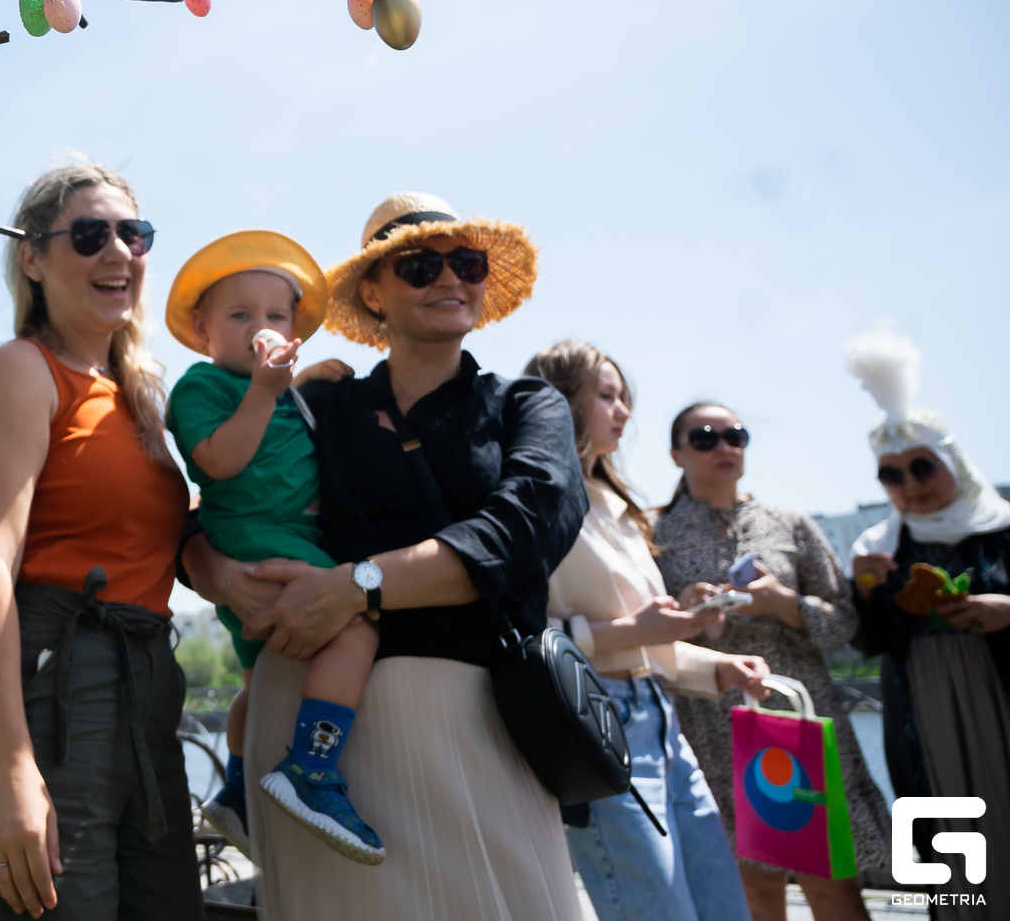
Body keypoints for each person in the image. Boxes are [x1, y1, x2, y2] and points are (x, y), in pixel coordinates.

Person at [181, 191, 590, 920]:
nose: (449, 278)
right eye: (420, 265)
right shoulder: (315, 405)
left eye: (467, 263)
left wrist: (356, 586)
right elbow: (202, 512)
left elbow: (521, 532)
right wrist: (223, 577)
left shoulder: (528, 406)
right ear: (373, 292)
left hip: (482, 719)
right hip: (305, 712)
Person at [0, 163, 198, 921]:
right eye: (88, 234)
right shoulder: (21, 371)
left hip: (142, 689)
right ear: (33, 258)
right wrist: (10, 767)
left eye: (132, 234)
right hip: (50, 687)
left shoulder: (139, 399)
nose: (117, 252)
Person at [528, 340, 766, 921]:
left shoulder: (617, 503)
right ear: (563, 401)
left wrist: (716, 664)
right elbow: (522, 636)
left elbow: (640, 640)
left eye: (624, 397)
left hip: (660, 719)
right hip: (595, 724)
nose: (624, 411)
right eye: (607, 396)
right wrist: (639, 627)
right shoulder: (533, 497)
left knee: (724, 909)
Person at [163, 229, 381, 864]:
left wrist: (294, 384)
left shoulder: (281, 392)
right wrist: (264, 388)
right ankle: (312, 768)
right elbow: (219, 461)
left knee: (259, 683)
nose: (260, 327)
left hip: (290, 538)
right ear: (202, 329)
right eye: (240, 315)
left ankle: (235, 788)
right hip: (258, 540)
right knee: (358, 626)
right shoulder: (201, 387)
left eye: (276, 317)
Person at [652, 402, 889, 921]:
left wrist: (785, 603)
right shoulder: (653, 535)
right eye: (705, 437)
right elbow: (646, 635)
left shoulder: (790, 523)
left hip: (797, 714)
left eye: (735, 435)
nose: (724, 446)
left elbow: (843, 624)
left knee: (832, 883)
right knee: (753, 893)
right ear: (676, 454)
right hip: (711, 726)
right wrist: (687, 611)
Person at [844, 326, 1010, 921]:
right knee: (949, 835)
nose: (910, 485)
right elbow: (870, 642)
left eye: (922, 466)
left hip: (999, 696)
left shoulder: (1003, 527)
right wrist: (866, 593)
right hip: (926, 713)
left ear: (953, 463)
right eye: (891, 475)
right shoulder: (877, 546)